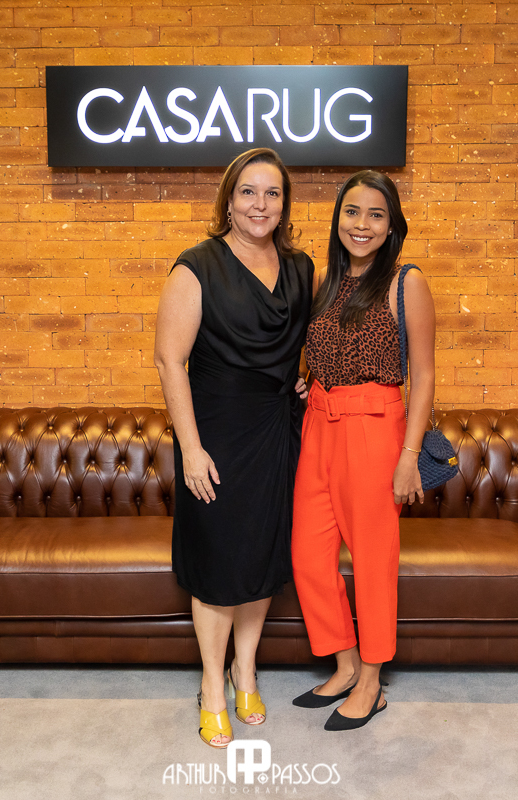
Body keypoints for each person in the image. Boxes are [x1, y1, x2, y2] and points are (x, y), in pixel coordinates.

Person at [154, 148, 314, 748]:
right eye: (248, 192)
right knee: (221, 565)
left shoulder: (301, 268)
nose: (260, 205)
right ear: (228, 199)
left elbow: (306, 344)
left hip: (277, 430)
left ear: (284, 204)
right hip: (216, 434)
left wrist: (304, 378)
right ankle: (211, 686)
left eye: (272, 193)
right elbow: (169, 361)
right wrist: (191, 449)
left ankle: (245, 672)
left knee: (263, 560)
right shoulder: (196, 267)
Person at [291, 170, 435, 730]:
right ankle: (345, 664)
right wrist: (308, 379)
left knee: (373, 562)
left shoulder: (405, 282)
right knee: (308, 554)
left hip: (375, 429)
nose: (362, 224)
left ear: (392, 225)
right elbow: (323, 351)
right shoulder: (324, 281)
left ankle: (372, 681)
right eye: (352, 211)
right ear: (338, 218)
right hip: (319, 425)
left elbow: (423, 375)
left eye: (377, 215)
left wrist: (409, 455)